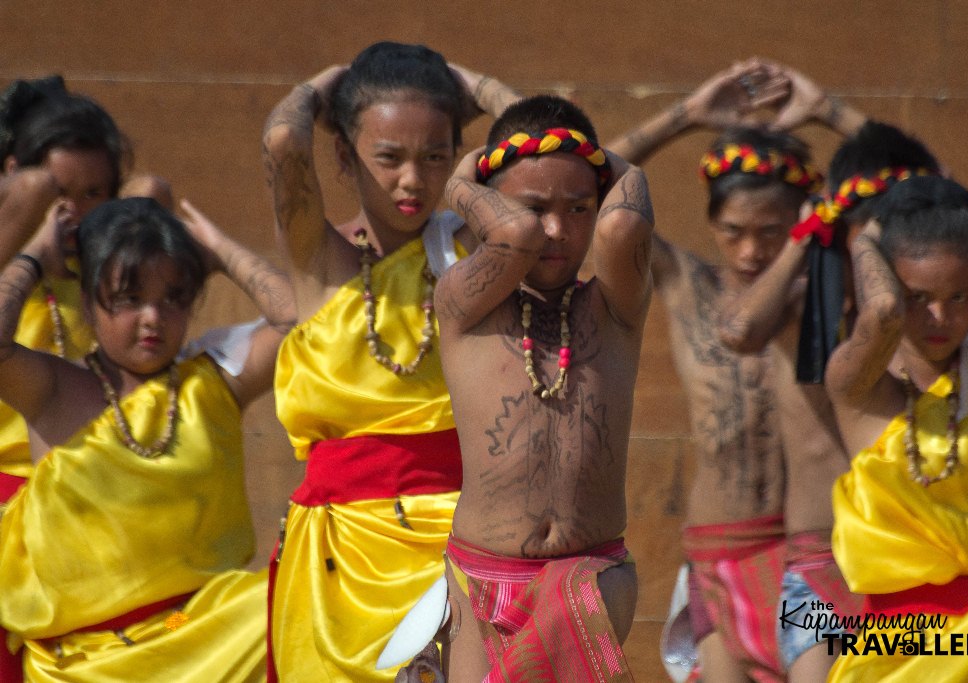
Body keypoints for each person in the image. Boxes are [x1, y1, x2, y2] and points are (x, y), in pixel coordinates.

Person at [261, 41, 519, 681]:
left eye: (435, 157)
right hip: (338, 561)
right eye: (388, 157)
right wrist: (329, 85)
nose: (413, 179)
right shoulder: (321, 262)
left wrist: (480, 84)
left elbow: (552, 149)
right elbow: (283, 143)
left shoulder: (476, 252)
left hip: (460, 537)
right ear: (346, 157)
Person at [605, 60, 858, 682]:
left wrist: (828, 109)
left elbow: (926, 195)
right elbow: (590, 199)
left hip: (814, 548)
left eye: (771, 232)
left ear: (804, 218)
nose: (751, 251)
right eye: (734, 232)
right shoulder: (689, 283)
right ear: (713, 226)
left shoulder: (836, 297)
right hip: (716, 552)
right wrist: (686, 116)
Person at [0, 194, 295, 681]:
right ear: (90, 305)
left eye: (171, 298)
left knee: (294, 601)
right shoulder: (52, 389)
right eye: (130, 299)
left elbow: (303, 324)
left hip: (196, 631)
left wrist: (220, 250)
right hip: (82, 661)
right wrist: (35, 256)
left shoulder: (213, 383)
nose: (153, 318)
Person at [718, 117, 951, 681]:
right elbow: (741, 330)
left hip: (911, 564)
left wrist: (828, 107)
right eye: (867, 238)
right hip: (818, 559)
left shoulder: (936, 320)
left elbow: (954, 207)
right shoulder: (807, 309)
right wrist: (809, 234)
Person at [435, 93, 653, 682]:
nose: (555, 230)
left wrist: (594, 157)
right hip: (479, 577)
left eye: (580, 208)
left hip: (588, 576)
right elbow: (515, 235)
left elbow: (626, 221)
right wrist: (462, 181)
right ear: (488, 205)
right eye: (535, 206)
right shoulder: (463, 303)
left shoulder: (615, 307)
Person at [825, 176, 968, 680]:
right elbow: (883, 310)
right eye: (920, 296)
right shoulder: (860, 388)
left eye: (960, 297)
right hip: (897, 651)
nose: (940, 316)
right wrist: (869, 238)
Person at [0, 75, 130, 682]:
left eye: (95, 193)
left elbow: (152, 191)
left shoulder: (112, 289)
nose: (75, 213)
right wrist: (27, 231)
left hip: (93, 517)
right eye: (60, 193)